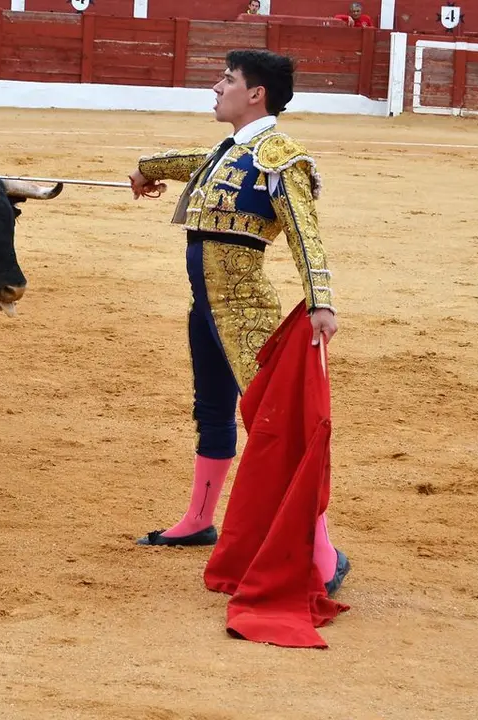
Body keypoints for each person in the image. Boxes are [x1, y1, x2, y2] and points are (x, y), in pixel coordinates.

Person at [128, 49, 348, 594]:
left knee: (276, 431)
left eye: (227, 80)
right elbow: (190, 162)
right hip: (205, 305)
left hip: (248, 311)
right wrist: (144, 169)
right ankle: (199, 520)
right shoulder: (232, 150)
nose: (216, 87)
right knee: (211, 410)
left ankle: (323, 553)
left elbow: (303, 228)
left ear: (256, 94)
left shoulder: (281, 155)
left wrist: (320, 300)